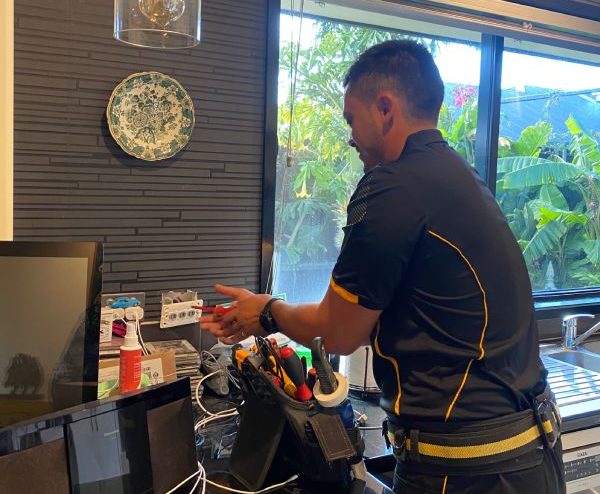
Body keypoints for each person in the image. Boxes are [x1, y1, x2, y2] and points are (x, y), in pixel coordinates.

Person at [201, 39, 565, 493]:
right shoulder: (455, 175)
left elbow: (336, 332)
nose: (350, 136)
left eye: (352, 118)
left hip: (468, 468)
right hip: (521, 456)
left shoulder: (392, 186)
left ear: (386, 107)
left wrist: (267, 312)